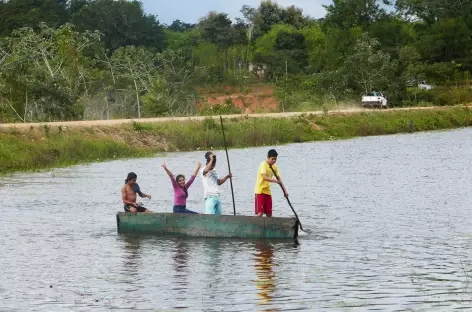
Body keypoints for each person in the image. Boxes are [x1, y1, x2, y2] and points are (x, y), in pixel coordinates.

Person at [254, 149, 288, 217]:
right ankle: (252, 226)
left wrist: (285, 191)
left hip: (268, 192)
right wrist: (275, 181)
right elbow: (264, 177)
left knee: (269, 214)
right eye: (272, 159)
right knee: (260, 213)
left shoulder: (274, 167)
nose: (274, 161)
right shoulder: (263, 164)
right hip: (260, 191)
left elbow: (279, 179)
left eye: (275, 159)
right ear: (268, 157)